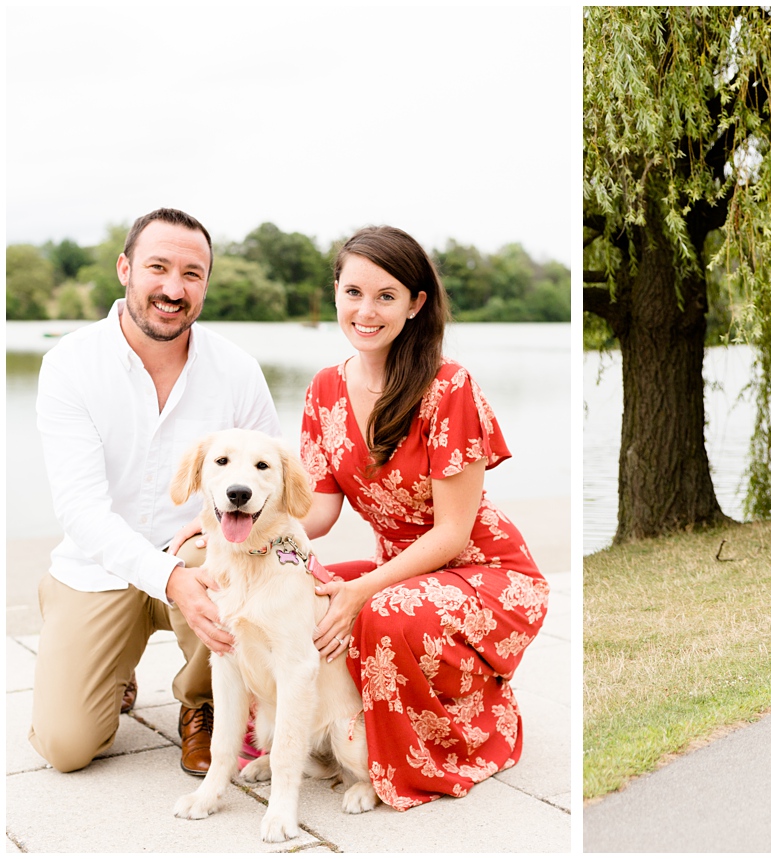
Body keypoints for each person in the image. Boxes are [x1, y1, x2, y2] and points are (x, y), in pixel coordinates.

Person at [298, 225, 548, 810]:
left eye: (386, 296)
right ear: (335, 292)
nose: (366, 310)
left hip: (482, 570)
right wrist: (237, 524)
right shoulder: (323, 391)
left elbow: (452, 533)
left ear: (416, 305)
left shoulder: (448, 386)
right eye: (353, 291)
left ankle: (434, 747)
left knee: (381, 609)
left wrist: (361, 589)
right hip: (405, 566)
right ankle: (329, 729)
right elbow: (319, 512)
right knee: (306, 589)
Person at [30, 207, 281, 774]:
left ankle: (203, 704)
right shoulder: (69, 364)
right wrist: (167, 579)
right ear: (125, 269)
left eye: (192, 274)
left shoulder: (238, 370)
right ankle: (103, 656)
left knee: (212, 549)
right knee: (66, 748)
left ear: (207, 285)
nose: (174, 288)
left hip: (198, 558)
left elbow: (272, 483)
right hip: (99, 567)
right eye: (158, 267)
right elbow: (80, 509)